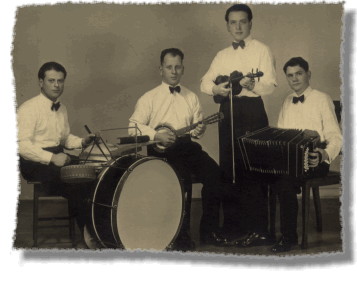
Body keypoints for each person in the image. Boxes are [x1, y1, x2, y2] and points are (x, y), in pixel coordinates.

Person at [128, 48, 228, 250]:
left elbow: (196, 131)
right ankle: (179, 236)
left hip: (186, 146)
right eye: (169, 67)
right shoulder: (149, 98)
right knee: (181, 181)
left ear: (183, 69)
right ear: (160, 69)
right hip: (161, 151)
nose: (173, 71)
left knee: (215, 175)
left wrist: (199, 129)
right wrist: (156, 135)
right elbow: (132, 128)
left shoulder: (191, 97)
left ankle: (208, 232)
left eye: (177, 67)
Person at [200, 4, 278, 240]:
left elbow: (271, 84)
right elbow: (204, 83)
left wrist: (252, 85)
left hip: (253, 111)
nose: (238, 27)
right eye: (233, 22)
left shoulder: (263, 50)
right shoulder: (221, 55)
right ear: (227, 26)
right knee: (229, 168)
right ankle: (233, 226)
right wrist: (217, 87)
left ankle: (257, 229)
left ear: (250, 23)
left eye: (242, 21)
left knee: (252, 169)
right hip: (228, 113)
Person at [261, 57, 341, 252]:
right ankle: (265, 232)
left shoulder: (322, 99)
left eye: (299, 73)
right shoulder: (287, 101)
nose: (294, 79)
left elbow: (337, 136)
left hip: (315, 158)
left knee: (284, 182)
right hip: (290, 158)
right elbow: (280, 135)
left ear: (308, 74)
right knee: (260, 175)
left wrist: (323, 154)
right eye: (290, 75)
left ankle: (289, 237)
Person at [18, 61, 98, 249]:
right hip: (34, 163)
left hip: (58, 158)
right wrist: (52, 158)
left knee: (94, 171)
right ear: (41, 82)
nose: (56, 85)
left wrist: (82, 142)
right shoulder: (28, 108)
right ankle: (90, 236)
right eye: (51, 80)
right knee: (78, 182)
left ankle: (100, 228)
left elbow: (65, 139)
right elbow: (21, 145)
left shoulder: (62, 109)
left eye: (60, 81)